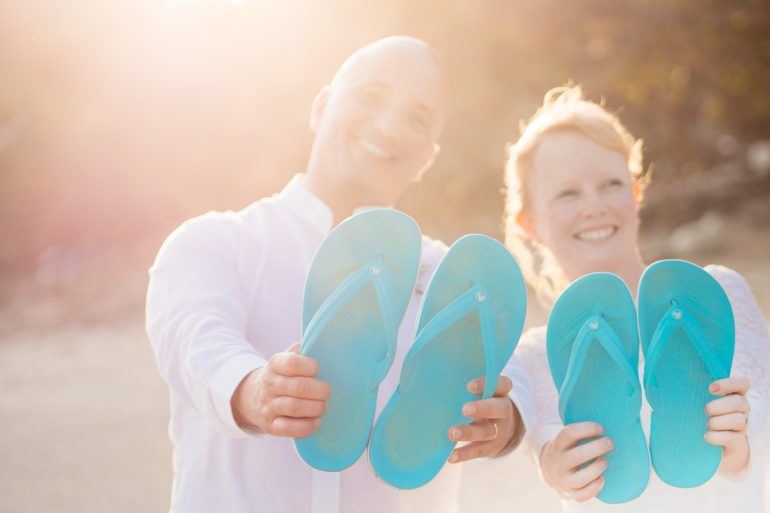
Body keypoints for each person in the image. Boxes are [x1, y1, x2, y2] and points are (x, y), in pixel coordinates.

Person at [146, 36, 531, 513]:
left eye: (416, 119)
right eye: (371, 96)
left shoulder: (458, 281)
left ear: (427, 157)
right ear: (321, 106)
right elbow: (194, 343)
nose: (389, 126)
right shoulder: (214, 243)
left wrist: (505, 422)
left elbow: (517, 373)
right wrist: (252, 390)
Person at [501, 85, 769, 512]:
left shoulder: (717, 297)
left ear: (636, 193)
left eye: (611, 184)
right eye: (568, 193)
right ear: (528, 222)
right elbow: (544, 449)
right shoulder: (533, 356)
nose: (595, 206)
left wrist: (745, 445)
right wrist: (556, 466)